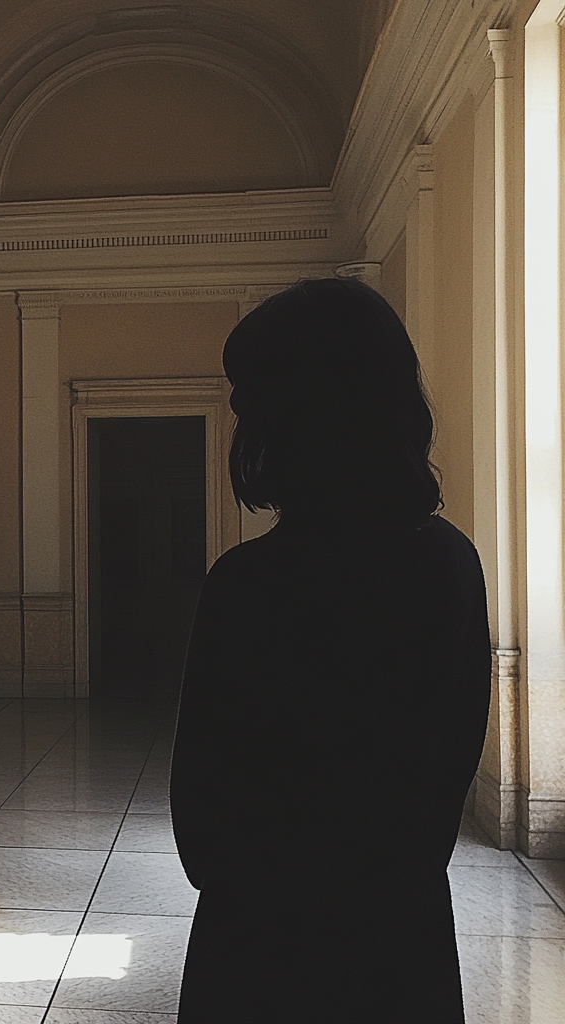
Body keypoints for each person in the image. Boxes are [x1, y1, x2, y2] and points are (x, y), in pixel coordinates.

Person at [170, 278, 491, 1023]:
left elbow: (202, 839)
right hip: (397, 952)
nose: (239, 412)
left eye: (250, 392)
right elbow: (431, 799)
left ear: (303, 409)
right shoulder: (449, 565)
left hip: (255, 956)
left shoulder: (246, 585)